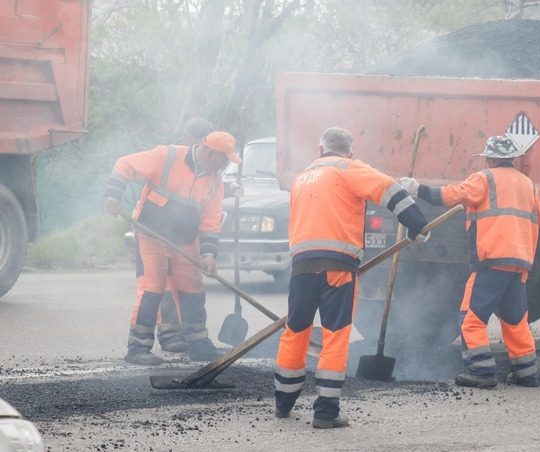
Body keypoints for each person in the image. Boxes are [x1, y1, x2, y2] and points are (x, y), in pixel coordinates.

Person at [273, 126, 430, 429]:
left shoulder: (301, 178)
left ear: (320, 150)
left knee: (296, 331)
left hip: (302, 267)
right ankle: (326, 412)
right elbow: (391, 191)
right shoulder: (349, 168)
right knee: (335, 334)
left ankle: (283, 401)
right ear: (350, 151)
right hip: (338, 268)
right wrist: (417, 225)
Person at [400, 135, 540, 388]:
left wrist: (417, 189)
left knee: (470, 319)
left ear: (490, 158)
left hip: (492, 260)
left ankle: (481, 372)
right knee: (515, 320)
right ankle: (526, 373)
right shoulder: (527, 184)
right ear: (512, 159)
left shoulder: (484, 179)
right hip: (519, 264)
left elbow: (451, 195)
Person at [105, 130, 240, 366]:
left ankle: (197, 343)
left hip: (185, 241)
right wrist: (114, 196)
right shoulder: (166, 157)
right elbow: (124, 164)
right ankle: (137, 347)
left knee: (193, 289)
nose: (225, 164)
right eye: (223, 158)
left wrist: (208, 254)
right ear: (208, 152)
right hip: (152, 235)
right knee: (153, 289)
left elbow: (210, 220)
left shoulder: (216, 180)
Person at [157, 117, 216, 354]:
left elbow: (204, 201)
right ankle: (170, 335)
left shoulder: (209, 168)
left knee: (190, 285)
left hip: (186, 236)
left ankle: (195, 337)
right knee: (165, 287)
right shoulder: (173, 159)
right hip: (159, 233)